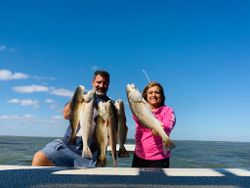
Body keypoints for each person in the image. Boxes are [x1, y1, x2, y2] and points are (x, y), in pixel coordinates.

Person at [32, 70, 123, 167]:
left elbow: (114, 133)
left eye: (105, 83)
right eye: (99, 82)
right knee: (39, 158)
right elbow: (66, 115)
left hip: (90, 155)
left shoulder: (111, 105)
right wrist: (77, 100)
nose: (101, 85)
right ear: (93, 82)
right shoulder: (82, 97)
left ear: (108, 84)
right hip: (66, 146)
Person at [131, 81, 176, 168]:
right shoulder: (139, 109)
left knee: (157, 182)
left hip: (159, 158)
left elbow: (168, 126)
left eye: (157, 92)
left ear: (162, 96)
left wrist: (160, 129)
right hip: (139, 156)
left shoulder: (168, 111)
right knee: (136, 182)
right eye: (150, 92)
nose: (153, 95)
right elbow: (137, 117)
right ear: (145, 95)